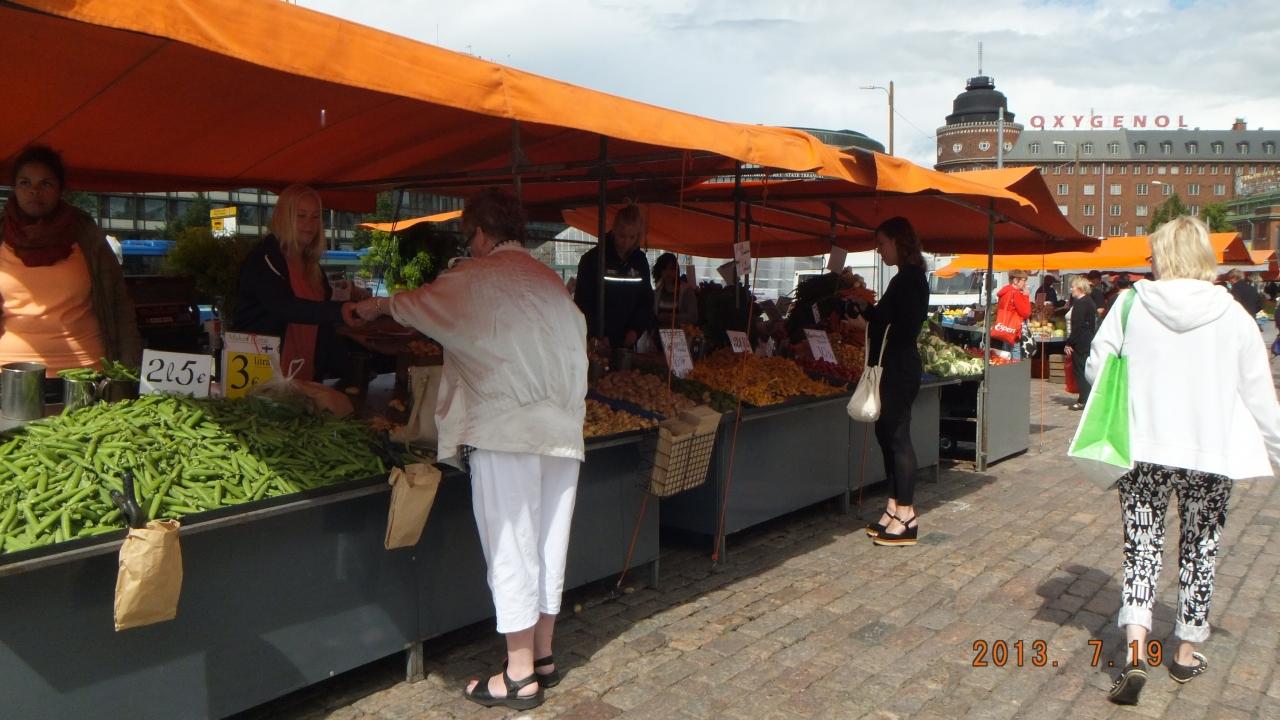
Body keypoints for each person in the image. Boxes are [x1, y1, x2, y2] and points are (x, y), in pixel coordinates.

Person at [353, 188, 587, 712]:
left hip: (506, 427)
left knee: (511, 544)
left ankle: (519, 675)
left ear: (480, 234)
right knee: (549, 541)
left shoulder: (476, 275)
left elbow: (419, 304)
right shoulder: (551, 282)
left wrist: (374, 305)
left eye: (469, 237)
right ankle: (544, 654)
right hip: (562, 426)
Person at [1086, 216, 1280, 706]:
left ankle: (1135, 650)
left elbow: (1096, 368)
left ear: (1163, 255)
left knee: (1141, 546)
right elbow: (1259, 395)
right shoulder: (1233, 313)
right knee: (1200, 548)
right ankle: (1186, 651)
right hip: (1209, 452)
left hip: (1143, 448)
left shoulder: (1130, 303)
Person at [0, 144, 141, 375]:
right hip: (9, 375)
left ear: (60, 189)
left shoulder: (87, 236)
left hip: (87, 372)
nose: (34, 191)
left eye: (45, 183)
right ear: (14, 187)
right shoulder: (1, 234)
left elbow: (119, 305)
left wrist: (129, 371)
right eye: (25, 182)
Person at [847, 217, 930, 546]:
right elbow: (888, 318)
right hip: (892, 365)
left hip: (898, 367)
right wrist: (867, 312)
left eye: (882, 244)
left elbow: (900, 327)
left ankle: (907, 516)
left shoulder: (909, 279)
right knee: (885, 436)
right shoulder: (905, 278)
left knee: (898, 438)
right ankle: (894, 507)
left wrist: (864, 323)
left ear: (898, 241)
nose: (879, 250)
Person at [234, 184, 362, 382]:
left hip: (304, 375)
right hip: (265, 377)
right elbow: (285, 306)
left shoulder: (312, 266)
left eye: (315, 216)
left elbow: (322, 321)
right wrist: (339, 311)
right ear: (283, 217)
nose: (309, 224)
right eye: (301, 216)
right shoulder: (265, 258)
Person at [572, 204, 653, 349]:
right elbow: (583, 302)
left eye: (632, 237)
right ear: (614, 229)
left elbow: (646, 300)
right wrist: (595, 334)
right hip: (598, 342)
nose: (626, 242)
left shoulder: (640, 261)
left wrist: (635, 330)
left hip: (628, 343)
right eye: (622, 236)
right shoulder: (593, 259)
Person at [1064, 276, 1097, 411]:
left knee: (1080, 371)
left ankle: (1083, 400)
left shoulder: (1081, 303)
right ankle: (1087, 398)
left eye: (1073, 287)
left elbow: (1077, 326)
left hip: (1080, 342)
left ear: (1079, 288)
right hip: (1087, 339)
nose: (1071, 289)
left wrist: (1069, 343)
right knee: (1085, 369)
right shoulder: (1089, 301)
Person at [652, 252, 698, 328]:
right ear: (660, 271)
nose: (668, 272)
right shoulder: (657, 290)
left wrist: (672, 317)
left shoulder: (686, 290)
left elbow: (693, 317)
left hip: (681, 332)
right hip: (660, 332)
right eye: (664, 269)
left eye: (671, 269)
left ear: (677, 270)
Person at [992, 269, 1032, 353]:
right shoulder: (1015, 293)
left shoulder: (1004, 292)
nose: (1025, 283)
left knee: (1006, 352)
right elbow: (1026, 313)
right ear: (1015, 281)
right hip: (1013, 329)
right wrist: (1026, 296)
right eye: (1024, 280)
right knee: (1015, 352)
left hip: (1004, 327)